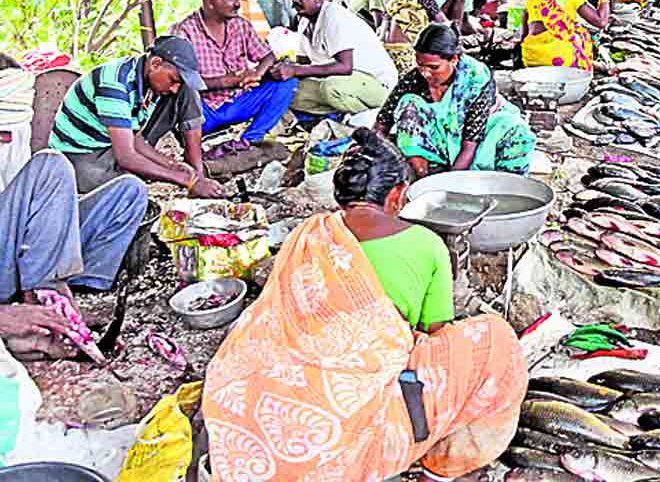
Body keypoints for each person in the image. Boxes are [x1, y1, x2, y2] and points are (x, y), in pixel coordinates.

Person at [202, 127, 526, 482]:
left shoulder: (308, 234)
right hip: (357, 425)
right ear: (399, 194)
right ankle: (441, 465)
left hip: (273, 401)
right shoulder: (426, 244)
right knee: (496, 339)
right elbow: (437, 332)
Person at [0, 53, 147, 360]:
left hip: (11, 257)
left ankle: (64, 304)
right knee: (51, 166)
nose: (7, 137)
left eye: (11, 125)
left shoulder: (10, 130)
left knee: (129, 192)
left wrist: (49, 282)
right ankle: (27, 313)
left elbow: (31, 212)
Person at [50, 36, 227, 198]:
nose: (174, 89)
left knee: (187, 91)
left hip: (109, 146)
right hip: (79, 158)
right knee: (132, 194)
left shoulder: (148, 79)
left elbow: (134, 137)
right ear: (156, 64)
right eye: (173, 80)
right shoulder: (114, 84)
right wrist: (187, 181)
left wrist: (171, 165)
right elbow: (126, 156)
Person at [170, 0, 299, 160]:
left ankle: (249, 141)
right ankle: (195, 149)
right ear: (210, 1)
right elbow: (182, 81)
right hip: (205, 111)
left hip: (238, 102)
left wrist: (257, 73)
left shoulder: (240, 25)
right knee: (184, 96)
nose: (238, 3)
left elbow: (268, 56)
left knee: (287, 82)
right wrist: (232, 80)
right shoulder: (184, 32)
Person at [375, 25, 535, 178]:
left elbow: (469, 145)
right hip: (441, 144)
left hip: (481, 140)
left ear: (454, 59)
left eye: (434, 67)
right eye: (420, 66)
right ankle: (422, 174)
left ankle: (502, 183)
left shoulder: (476, 81)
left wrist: (449, 185)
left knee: (516, 130)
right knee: (408, 105)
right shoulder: (414, 79)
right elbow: (383, 121)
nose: (426, 73)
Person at [275, 0, 398, 117]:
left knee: (331, 88)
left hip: (377, 84)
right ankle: (341, 112)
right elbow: (304, 62)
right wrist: (283, 67)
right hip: (343, 83)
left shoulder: (334, 17)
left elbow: (345, 67)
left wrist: (295, 70)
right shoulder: (303, 22)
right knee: (291, 93)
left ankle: (377, 116)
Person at [381, 0, 450, 74]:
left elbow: (382, 34)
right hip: (412, 61)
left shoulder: (391, 4)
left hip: (389, 60)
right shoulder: (424, 0)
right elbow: (446, 25)